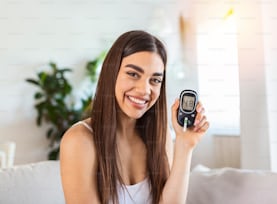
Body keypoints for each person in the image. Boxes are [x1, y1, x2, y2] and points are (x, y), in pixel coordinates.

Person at [60, 30, 209, 204]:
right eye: (133, 74)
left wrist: (185, 146)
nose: (144, 90)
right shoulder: (79, 140)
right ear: (112, 72)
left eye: (155, 80)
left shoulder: (160, 136)